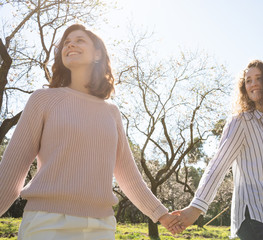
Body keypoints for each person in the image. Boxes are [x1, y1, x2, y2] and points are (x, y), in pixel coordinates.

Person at [0, 24, 181, 239]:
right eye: (66, 43)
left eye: (79, 40)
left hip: (101, 227)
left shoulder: (111, 112)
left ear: (97, 54)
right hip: (46, 223)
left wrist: (161, 215)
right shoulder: (43, 100)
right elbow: (11, 171)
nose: (70, 44)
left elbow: (129, 176)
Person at [170, 60, 263, 240]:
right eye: (248, 80)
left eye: (258, 78)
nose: (253, 83)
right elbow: (218, 165)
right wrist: (196, 208)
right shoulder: (241, 122)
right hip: (251, 213)